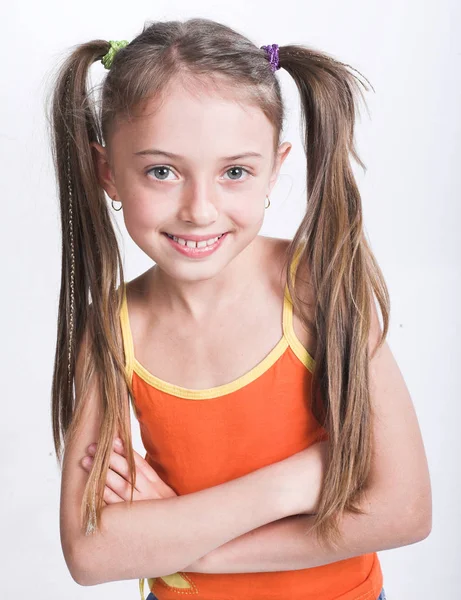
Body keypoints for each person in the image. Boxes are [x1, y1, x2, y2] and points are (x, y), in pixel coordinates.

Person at [47, 17, 432, 600]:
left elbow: (404, 511)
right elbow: (92, 554)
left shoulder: (319, 288)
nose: (200, 210)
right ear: (109, 173)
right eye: (161, 171)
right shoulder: (113, 328)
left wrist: (177, 537)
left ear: (274, 168)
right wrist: (298, 482)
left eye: (234, 172)